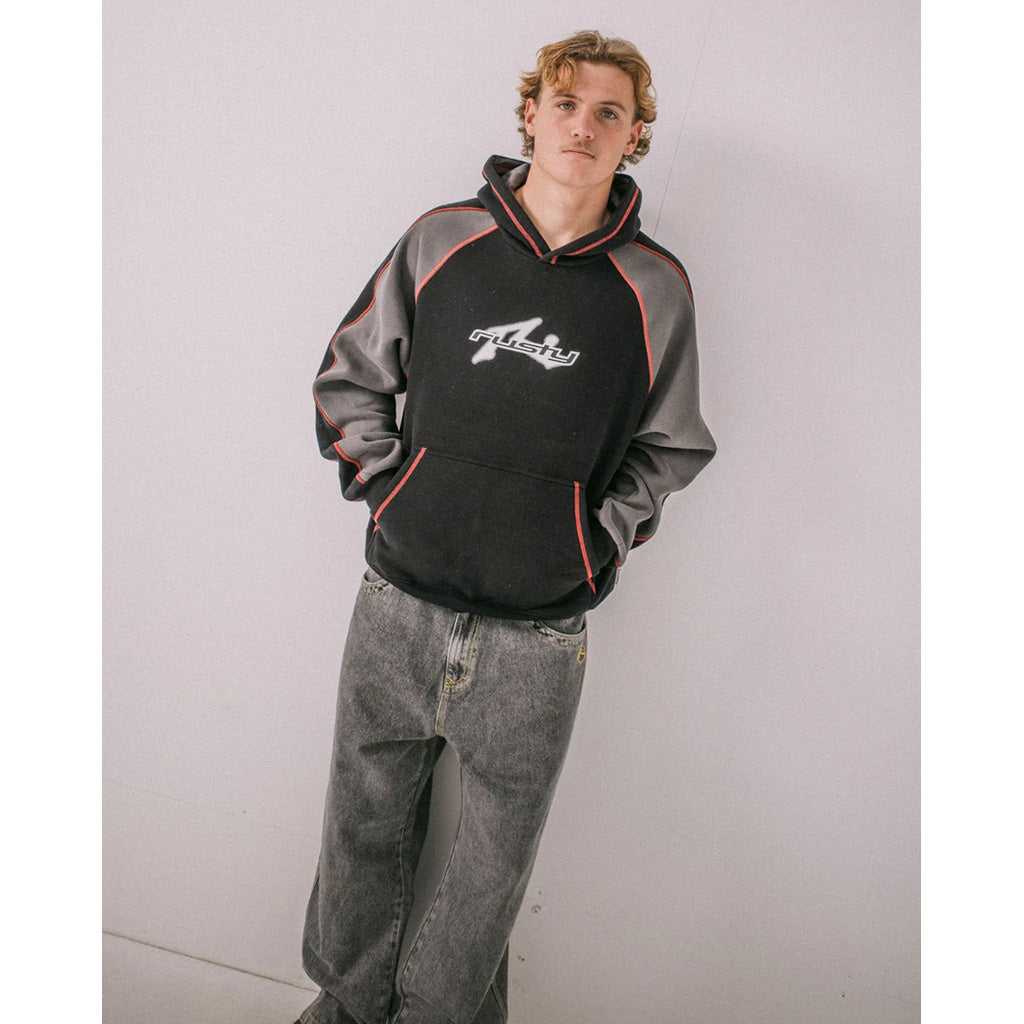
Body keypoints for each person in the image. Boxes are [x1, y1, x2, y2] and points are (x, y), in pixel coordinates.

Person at [298, 29, 716, 1024]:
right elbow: (349, 378)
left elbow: (673, 444)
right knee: (361, 826)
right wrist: (393, 492)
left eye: (609, 112)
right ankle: (346, 1008)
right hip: (399, 597)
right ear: (530, 113)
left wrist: (593, 539)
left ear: (635, 135)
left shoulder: (654, 287)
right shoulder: (442, 240)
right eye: (565, 103)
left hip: (540, 634)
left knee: (492, 863)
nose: (583, 126)